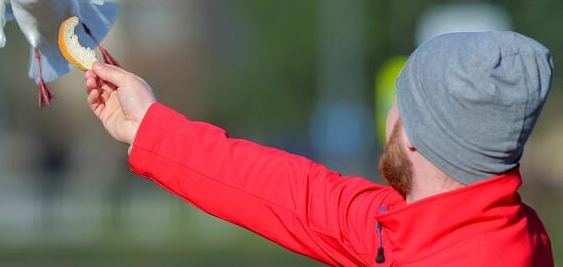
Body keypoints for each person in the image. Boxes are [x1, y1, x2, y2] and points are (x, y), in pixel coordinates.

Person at [84, 31, 555, 266]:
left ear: (419, 134)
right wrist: (149, 126)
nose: (389, 115)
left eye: (400, 104)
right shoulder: (438, 227)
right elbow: (292, 193)